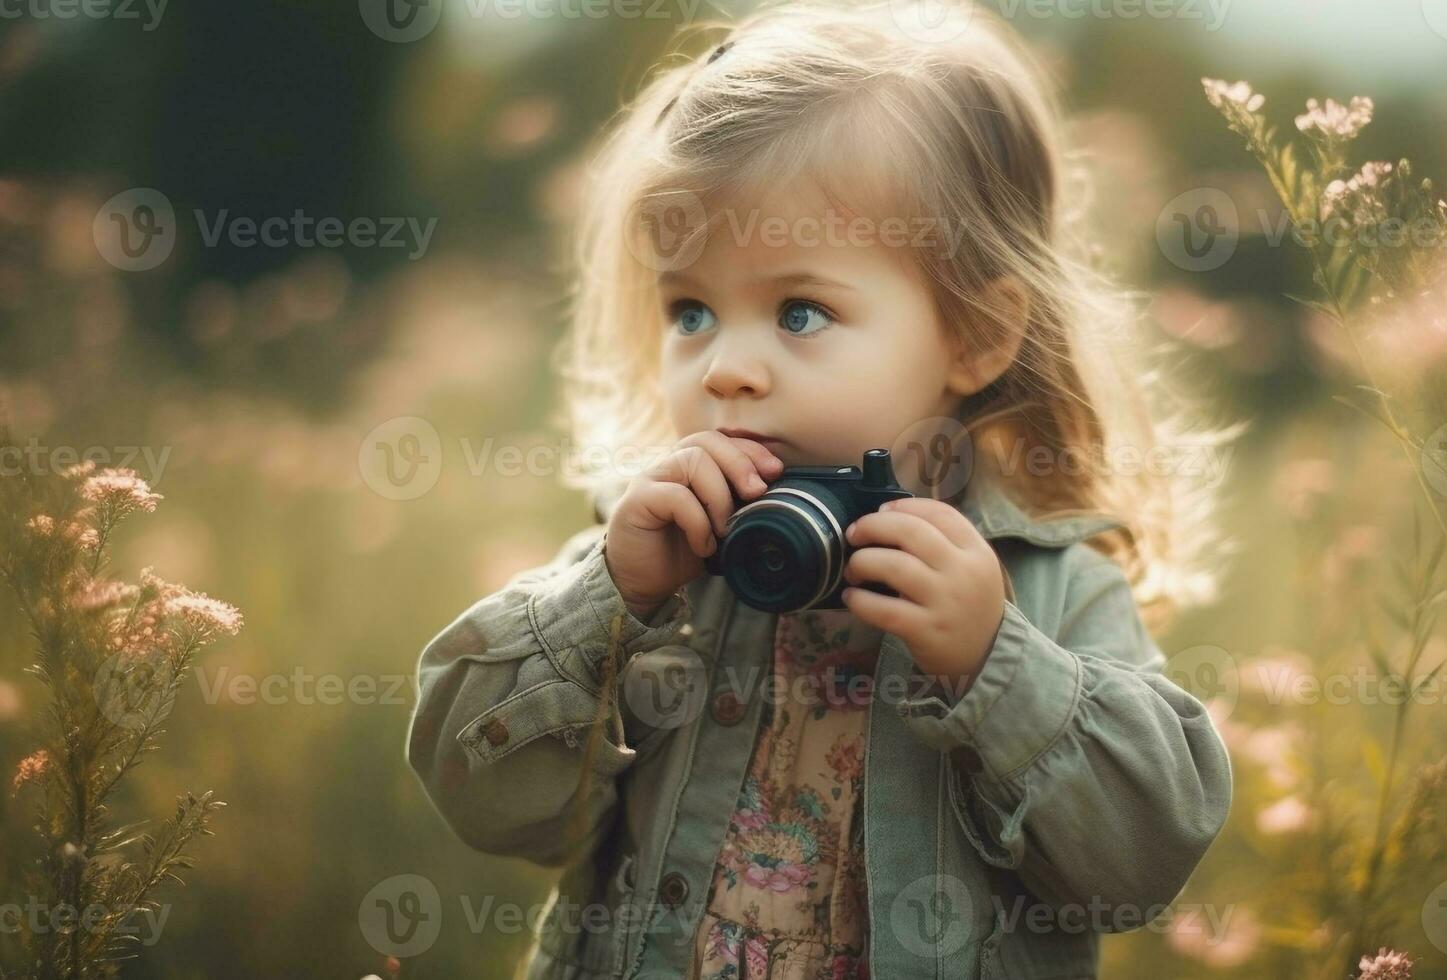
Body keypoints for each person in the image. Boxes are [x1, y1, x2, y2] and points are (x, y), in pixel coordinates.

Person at [408, 3, 1234, 977]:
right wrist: (603, 597)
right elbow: (477, 792)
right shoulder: (663, 566)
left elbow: (1140, 862)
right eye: (690, 310)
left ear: (973, 332)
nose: (725, 367)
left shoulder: (1044, 588)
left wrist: (995, 665)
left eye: (798, 309)